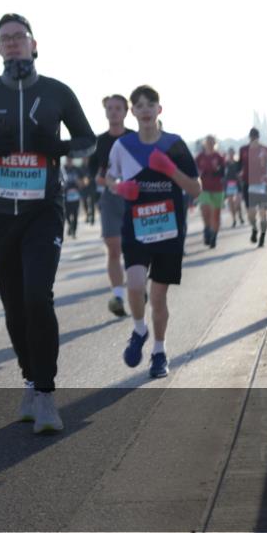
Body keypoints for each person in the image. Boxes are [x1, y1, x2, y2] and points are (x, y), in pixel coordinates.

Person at [0, 13, 96, 434]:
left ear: (34, 44)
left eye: (19, 37)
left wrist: (60, 147)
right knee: (14, 306)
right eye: (5, 39)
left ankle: (48, 394)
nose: (13, 44)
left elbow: (88, 143)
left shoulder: (56, 92)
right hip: (0, 214)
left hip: (44, 211)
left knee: (38, 297)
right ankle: (30, 381)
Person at [107, 86, 201, 379]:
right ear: (132, 112)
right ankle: (139, 330)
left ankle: (159, 352)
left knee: (158, 297)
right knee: (134, 285)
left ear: (159, 110)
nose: (145, 110)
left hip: (169, 230)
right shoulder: (123, 146)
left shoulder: (174, 144)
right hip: (136, 227)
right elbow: (109, 178)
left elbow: (195, 189)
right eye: (139, 105)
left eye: (151, 104)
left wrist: (170, 170)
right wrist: (120, 187)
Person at [89, 94, 134, 317]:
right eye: (110, 108)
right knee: (113, 248)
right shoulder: (99, 142)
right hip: (110, 198)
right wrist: (103, 180)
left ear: (126, 112)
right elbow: (92, 173)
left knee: (135, 249)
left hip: (135, 199)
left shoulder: (135, 138)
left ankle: (137, 286)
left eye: (118, 108)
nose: (114, 112)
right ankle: (118, 295)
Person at [238, 128, 267, 248]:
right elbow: (239, 164)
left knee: (263, 212)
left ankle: (262, 236)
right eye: (251, 137)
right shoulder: (243, 150)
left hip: (263, 184)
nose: (253, 139)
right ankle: (254, 229)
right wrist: (238, 173)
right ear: (249, 137)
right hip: (248, 184)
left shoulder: (266, 150)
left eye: (255, 137)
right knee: (251, 213)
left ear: (258, 137)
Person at [195, 135, 225, 249]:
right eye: (208, 142)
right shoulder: (200, 157)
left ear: (215, 143)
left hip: (217, 188)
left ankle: (214, 236)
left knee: (215, 215)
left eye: (212, 142)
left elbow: (223, 172)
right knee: (205, 210)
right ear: (205, 143)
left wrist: (217, 170)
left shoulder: (219, 157)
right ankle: (207, 229)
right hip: (204, 188)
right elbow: (193, 170)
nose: (210, 144)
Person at [62, 158, 83, 238]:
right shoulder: (63, 168)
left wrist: (80, 182)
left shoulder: (77, 169)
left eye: (70, 160)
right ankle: (70, 225)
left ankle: (74, 231)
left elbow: (84, 180)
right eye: (68, 160)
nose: (69, 161)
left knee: (75, 214)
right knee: (67, 214)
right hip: (66, 196)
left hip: (76, 195)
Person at [224, 147, 245, 227]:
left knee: (237, 203)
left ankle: (240, 215)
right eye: (230, 153)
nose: (231, 154)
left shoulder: (237, 163)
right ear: (228, 154)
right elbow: (222, 173)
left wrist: (240, 174)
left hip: (237, 184)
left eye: (232, 153)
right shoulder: (225, 164)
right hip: (229, 185)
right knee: (230, 203)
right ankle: (234, 219)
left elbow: (242, 171)